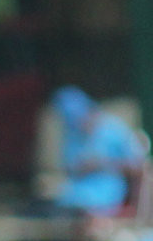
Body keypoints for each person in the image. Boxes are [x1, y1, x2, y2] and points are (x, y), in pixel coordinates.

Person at [48, 86, 146, 216]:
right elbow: (68, 168)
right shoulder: (72, 135)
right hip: (75, 195)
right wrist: (80, 168)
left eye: (80, 119)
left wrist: (102, 164)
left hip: (107, 197)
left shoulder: (114, 130)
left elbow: (138, 167)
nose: (79, 125)